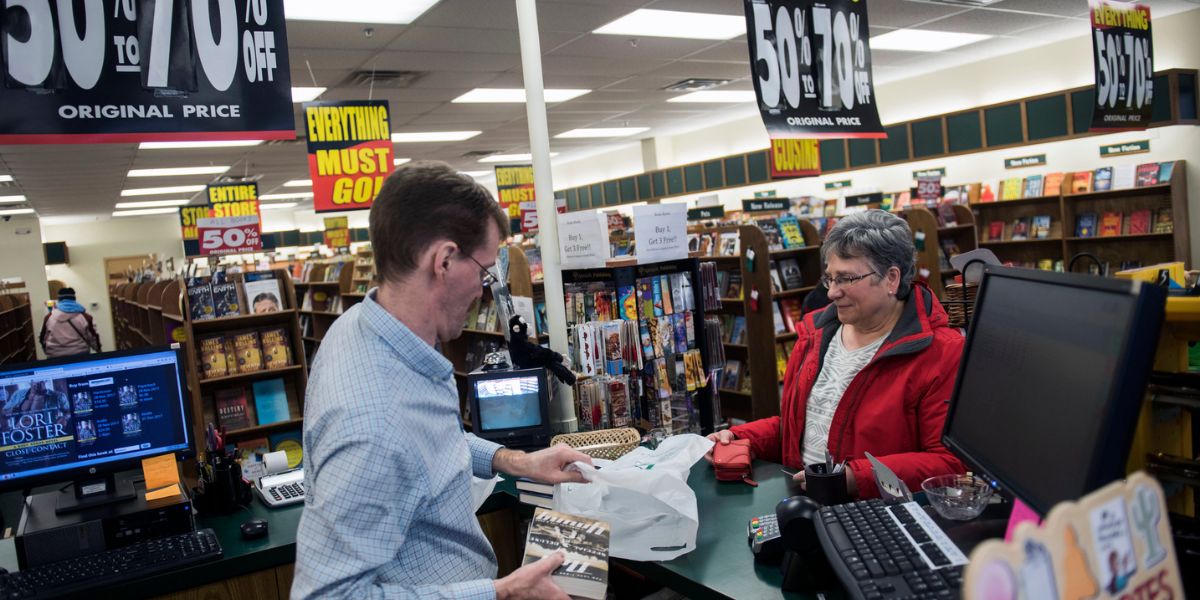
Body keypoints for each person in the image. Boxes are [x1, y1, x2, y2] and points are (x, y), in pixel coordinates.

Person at [294, 161, 592, 600]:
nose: (484, 290)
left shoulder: (362, 326)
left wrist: (516, 462)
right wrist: (501, 593)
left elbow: (427, 443)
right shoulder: (372, 423)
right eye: (486, 271)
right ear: (445, 260)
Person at [708, 210, 965, 499]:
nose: (831, 292)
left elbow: (950, 464)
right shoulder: (815, 335)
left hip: (878, 520)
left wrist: (855, 477)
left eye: (845, 279)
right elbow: (802, 424)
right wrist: (743, 438)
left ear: (891, 279)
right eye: (829, 278)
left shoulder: (942, 353)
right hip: (802, 505)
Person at [39, 287, 100, 357]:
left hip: (55, 357)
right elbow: (93, 336)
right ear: (74, 299)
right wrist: (98, 350)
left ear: (59, 299)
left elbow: (42, 337)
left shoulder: (49, 317)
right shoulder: (85, 317)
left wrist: (47, 350)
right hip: (80, 355)